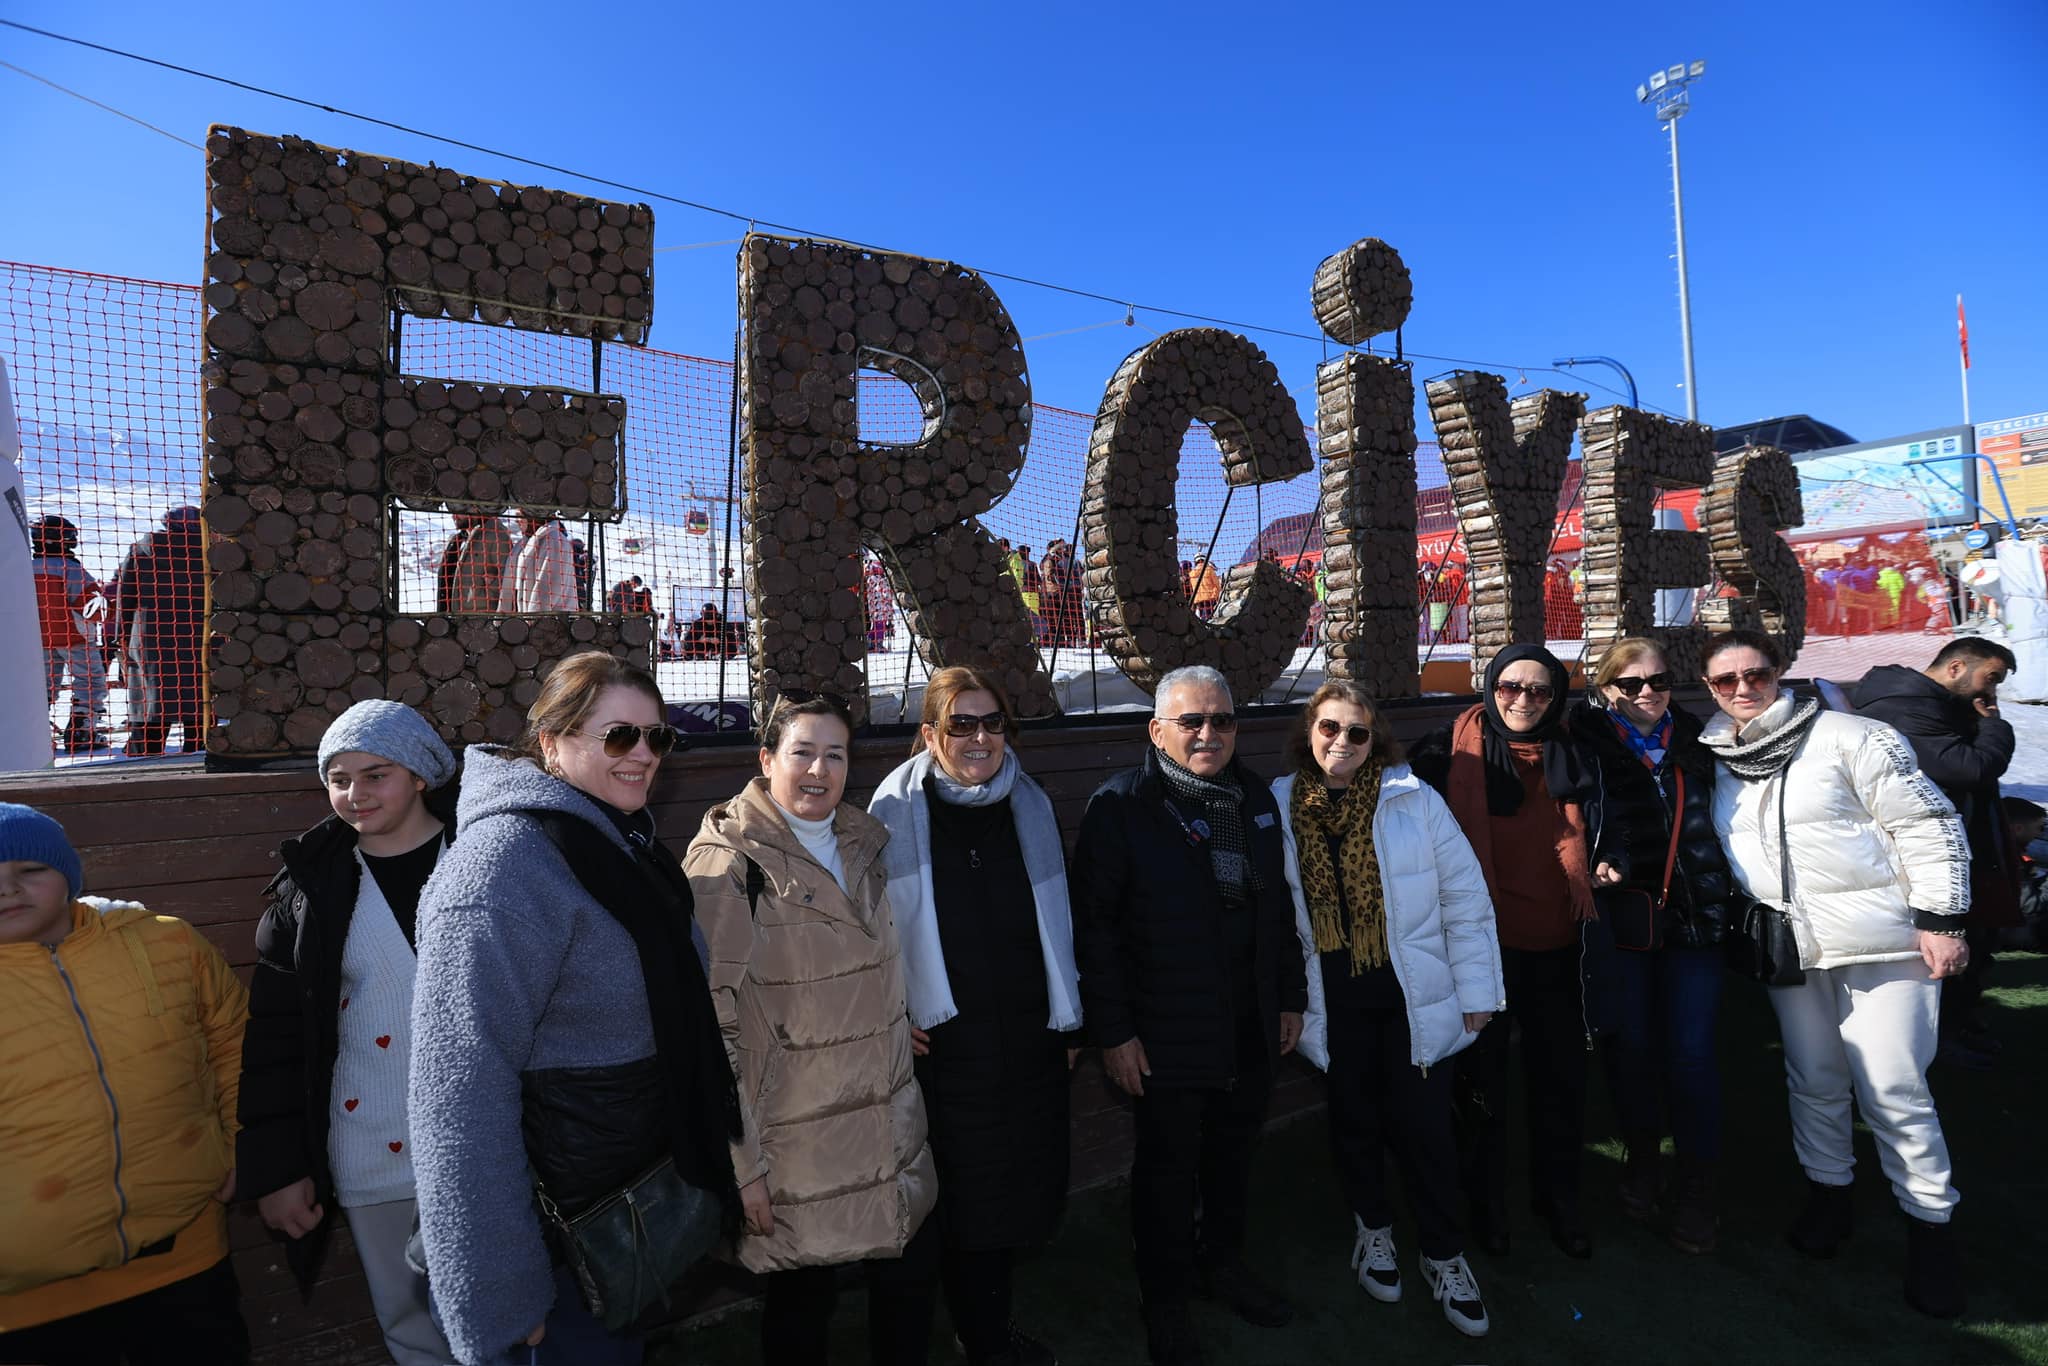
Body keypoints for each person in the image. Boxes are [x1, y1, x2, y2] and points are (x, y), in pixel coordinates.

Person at [410, 653, 737, 1365]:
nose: (644, 755)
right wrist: (501, 1297)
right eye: (620, 736)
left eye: (660, 738)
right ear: (552, 741)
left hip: (620, 1227)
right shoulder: (503, 865)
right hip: (550, 1261)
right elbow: (457, 1092)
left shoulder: (617, 843)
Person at [1697, 628, 1970, 1318]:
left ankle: (1932, 1229)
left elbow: (1927, 822)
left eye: (1754, 674)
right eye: (1724, 681)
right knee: (1814, 1076)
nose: (1741, 689)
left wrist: (1941, 919)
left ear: (1780, 671)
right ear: (1708, 688)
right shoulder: (1720, 753)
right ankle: (1829, 1196)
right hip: (1791, 946)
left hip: (1880, 941)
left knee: (1893, 1088)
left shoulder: (1850, 735)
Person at [686, 693, 939, 1366]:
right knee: (802, 1310)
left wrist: (893, 1011)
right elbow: (708, 1031)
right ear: (766, 758)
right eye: (801, 751)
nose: (818, 770)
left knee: (908, 1288)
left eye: (835, 754)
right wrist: (742, 1170)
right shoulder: (727, 864)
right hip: (794, 1148)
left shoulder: (861, 841)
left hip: (884, 1124)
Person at [1071, 665, 1306, 1366]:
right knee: (1168, 1174)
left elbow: (1279, 907)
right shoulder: (1122, 807)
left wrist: (1290, 995)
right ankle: (1165, 1303)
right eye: (1191, 722)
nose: (1209, 733)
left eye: (1222, 720)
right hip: (1164, 1031)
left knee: (1234, 1159)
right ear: (1157, 731)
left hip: (1249, 1024)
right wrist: (1113, 1032)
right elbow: (1095, 932)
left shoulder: (1256, 797)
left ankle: (1222, 1266)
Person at [1274, 682, 1501, 1339]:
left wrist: (1479, 990)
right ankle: (1373, 1231)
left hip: (1414, 1000)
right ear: (1307, 732)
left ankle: (1443, 1254)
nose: (1340, 743)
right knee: (1355, 1124)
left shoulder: (1413, 799)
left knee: (1426, 1131)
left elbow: (1464, 895)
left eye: (1357, 732)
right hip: (1332, 1003)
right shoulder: (1278, 804)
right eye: (1329, 728)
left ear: (1377, 741)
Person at [237, 701, 461, 1365]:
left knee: (517, 1312)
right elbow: (276, 1041)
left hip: (497, 1139)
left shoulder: (486, 855)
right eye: (338, 778)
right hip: (373, 1147)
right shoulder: (308, 891)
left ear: (419, 775)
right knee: (413, 1323)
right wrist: (279, 1171)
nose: (355, 794)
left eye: (376, 774)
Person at [869, 667, 1080, 1366]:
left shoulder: (1032, 804)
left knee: (1009, 1198)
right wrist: (892, 1011)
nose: (981, 737)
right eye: (962, 724)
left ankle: (985, 1333)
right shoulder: (888, 816)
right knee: (951, 1203)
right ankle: (952, 1336)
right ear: (930, 734)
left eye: (994, 723)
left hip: (1027, 1039)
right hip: (942, 1045)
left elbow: (1060, 921)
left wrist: (1069, 1019)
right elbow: (864, 936)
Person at [0, 803, 250, 1363]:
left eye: (30, 870)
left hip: (185, 1261)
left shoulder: (162, 944)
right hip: (22, 1308)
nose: (8, 890)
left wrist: (238, 1145)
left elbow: (233, 1041)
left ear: (68, 873)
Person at [1409, 644, 1606, 1261]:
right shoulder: (1444, 754)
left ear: (1557, 698)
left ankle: (1559, 1198)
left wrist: (1614, 857)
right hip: (1476, 952)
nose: (1523, 701)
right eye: (1509, 688)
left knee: (1561, 1084)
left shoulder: (1582, 753)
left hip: (1560, 949)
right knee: (1480, 1087)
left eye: (1540, 691)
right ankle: (1486, 1205)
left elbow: (1614, 819)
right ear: (1490, 687)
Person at [1566, 637, 1742, 1253]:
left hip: (1695, 920)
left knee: (1691, 1055)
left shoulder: (1700, 739)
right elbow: (1569, 821)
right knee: (1631, 1047)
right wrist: (1598, 859)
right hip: (1626, 923)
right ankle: (1643, 1158)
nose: (1647, 693)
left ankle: (1698, 1185)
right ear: (1605, 688)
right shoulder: (1583, 744)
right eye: (1631, 683)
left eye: (1659, 681)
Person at [1852, 637, 2019, 1068]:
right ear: (1956, 667)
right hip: (1929, 853)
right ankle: (1940, 1042)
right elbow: (1968, 768)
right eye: (1990, 678)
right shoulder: (1904, 706)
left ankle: (1959, 1026)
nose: (1992, 692)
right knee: (1942, 952)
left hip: (1957, 841)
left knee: (1972, 943)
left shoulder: (1935, 702)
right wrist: (1994, 724)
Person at [110, 505, 207, 757]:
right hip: (202, 642)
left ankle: (144, 765)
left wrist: (121, 641)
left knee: (151, 708)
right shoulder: (211, 553)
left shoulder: (141, 550)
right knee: (200, 715)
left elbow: (125, 601)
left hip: (149, 642)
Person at [31, 515, 111, 754]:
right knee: (89, 682)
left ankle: (35, 734)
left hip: (38, 639)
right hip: (75, 637)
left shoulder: (25, 568)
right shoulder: (72, 570)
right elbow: (92, 608)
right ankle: (82, 731)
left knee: (42, 686)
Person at [498, 512, 580, 614]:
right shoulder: (524, 543)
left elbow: (547, 591)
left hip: (551, 622)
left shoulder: (554, 541)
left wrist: (532, 622)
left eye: (520, 515)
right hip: (526, 619)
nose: (516, 520)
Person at [435, 510, 513, 614]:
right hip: (454, 616)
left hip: (480, 616)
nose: (454, 516)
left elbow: (508, 576)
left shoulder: (496, 536)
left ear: (475, 508)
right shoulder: (457, 540)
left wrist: (486, 595)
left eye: (459, 512)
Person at [1187, 556, 1221, 622]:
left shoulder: (1191, 574)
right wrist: (1215, 596)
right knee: (1211, 618)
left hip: (1198, 600)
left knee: (1202, 617)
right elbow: (1217, 585)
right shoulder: (1209, 570)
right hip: (1210, 598)